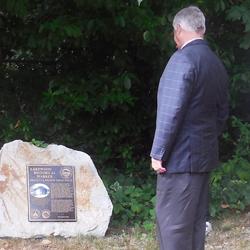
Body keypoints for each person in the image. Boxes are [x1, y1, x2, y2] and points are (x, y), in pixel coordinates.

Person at [150, 6, 228, 250]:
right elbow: (222, 113)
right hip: (203, 159)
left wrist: (158, 153)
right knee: (194, 227)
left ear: (178, 30)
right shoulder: (215, 63)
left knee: (173, 228)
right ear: (202, 29)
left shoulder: (182, 60)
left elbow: (170, 112)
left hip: (180, 161)